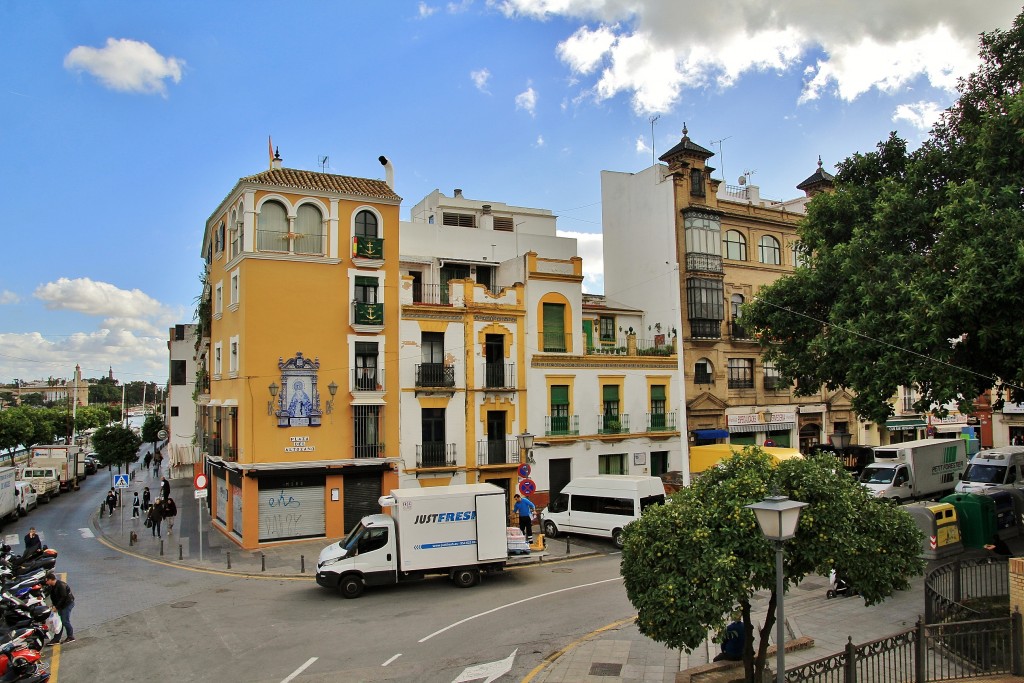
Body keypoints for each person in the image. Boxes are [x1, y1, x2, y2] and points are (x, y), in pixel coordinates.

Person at [44, 571, 74, 643]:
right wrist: (53, 605)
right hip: (60, 605)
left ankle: (70, 636)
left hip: (67, 604)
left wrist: (56, 607)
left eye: (47, 580)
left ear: (51, 579)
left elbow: (63, 598)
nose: (46, 582)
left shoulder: (61, 585)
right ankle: (57, 638)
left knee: (65, 621)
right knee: (59, 622)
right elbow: (54, 597)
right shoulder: (52, 586)